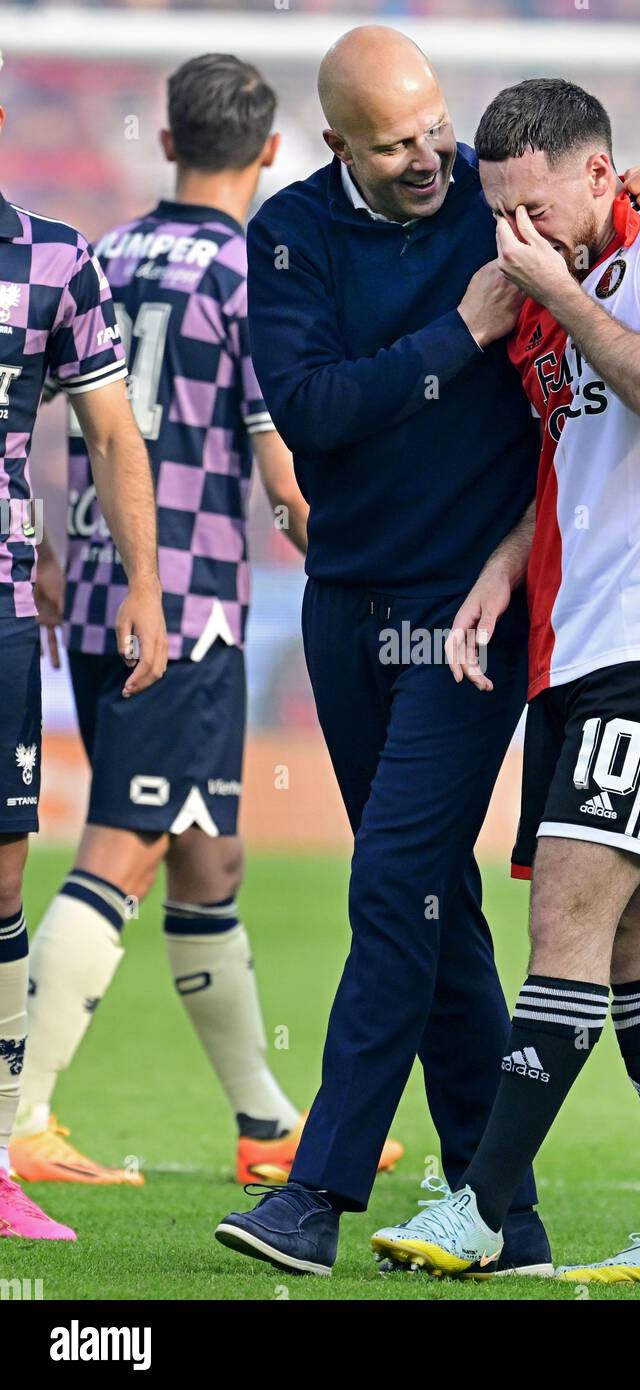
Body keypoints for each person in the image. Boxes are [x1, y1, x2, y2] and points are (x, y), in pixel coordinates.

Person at [215, 26, 640, 1278]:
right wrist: (455, 332)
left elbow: (623, 240)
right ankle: (504, 1211)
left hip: (469, 619)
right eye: (392, 142)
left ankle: (314, 1192)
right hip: (345, 608)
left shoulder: (488, 199)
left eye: (433, 122)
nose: (428, 154)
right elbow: (316, 410)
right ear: (336, 144)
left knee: (393, 879)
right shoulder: (284, 236)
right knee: (429, 898)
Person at [371, 77, 640, 1285]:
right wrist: (506, 567)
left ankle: (478, 1207)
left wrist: (553, 289)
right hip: (580, 640)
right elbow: (576, 455)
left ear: (601, 173)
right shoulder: (554, 302)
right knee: (639, 928)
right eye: (502, 214)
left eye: (536, 208)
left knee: (564, 925)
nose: (519, 238)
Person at [9, 54, 394, 1194]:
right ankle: (19, 1115)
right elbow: (280, 465)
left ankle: (264, 1121)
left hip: (89, 578)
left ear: (168, 142)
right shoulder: (249, 271)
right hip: (178, 606)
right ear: (270, 152)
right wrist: (365, 555)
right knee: (130, 838)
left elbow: (46, 416)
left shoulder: (101, 253)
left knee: (207, 851)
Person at [0, 52, 167, 1237]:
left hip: (3, 602)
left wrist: (139, 583)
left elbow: (109, 434)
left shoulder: (54, 255)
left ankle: (2, 1158)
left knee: (3, 877)